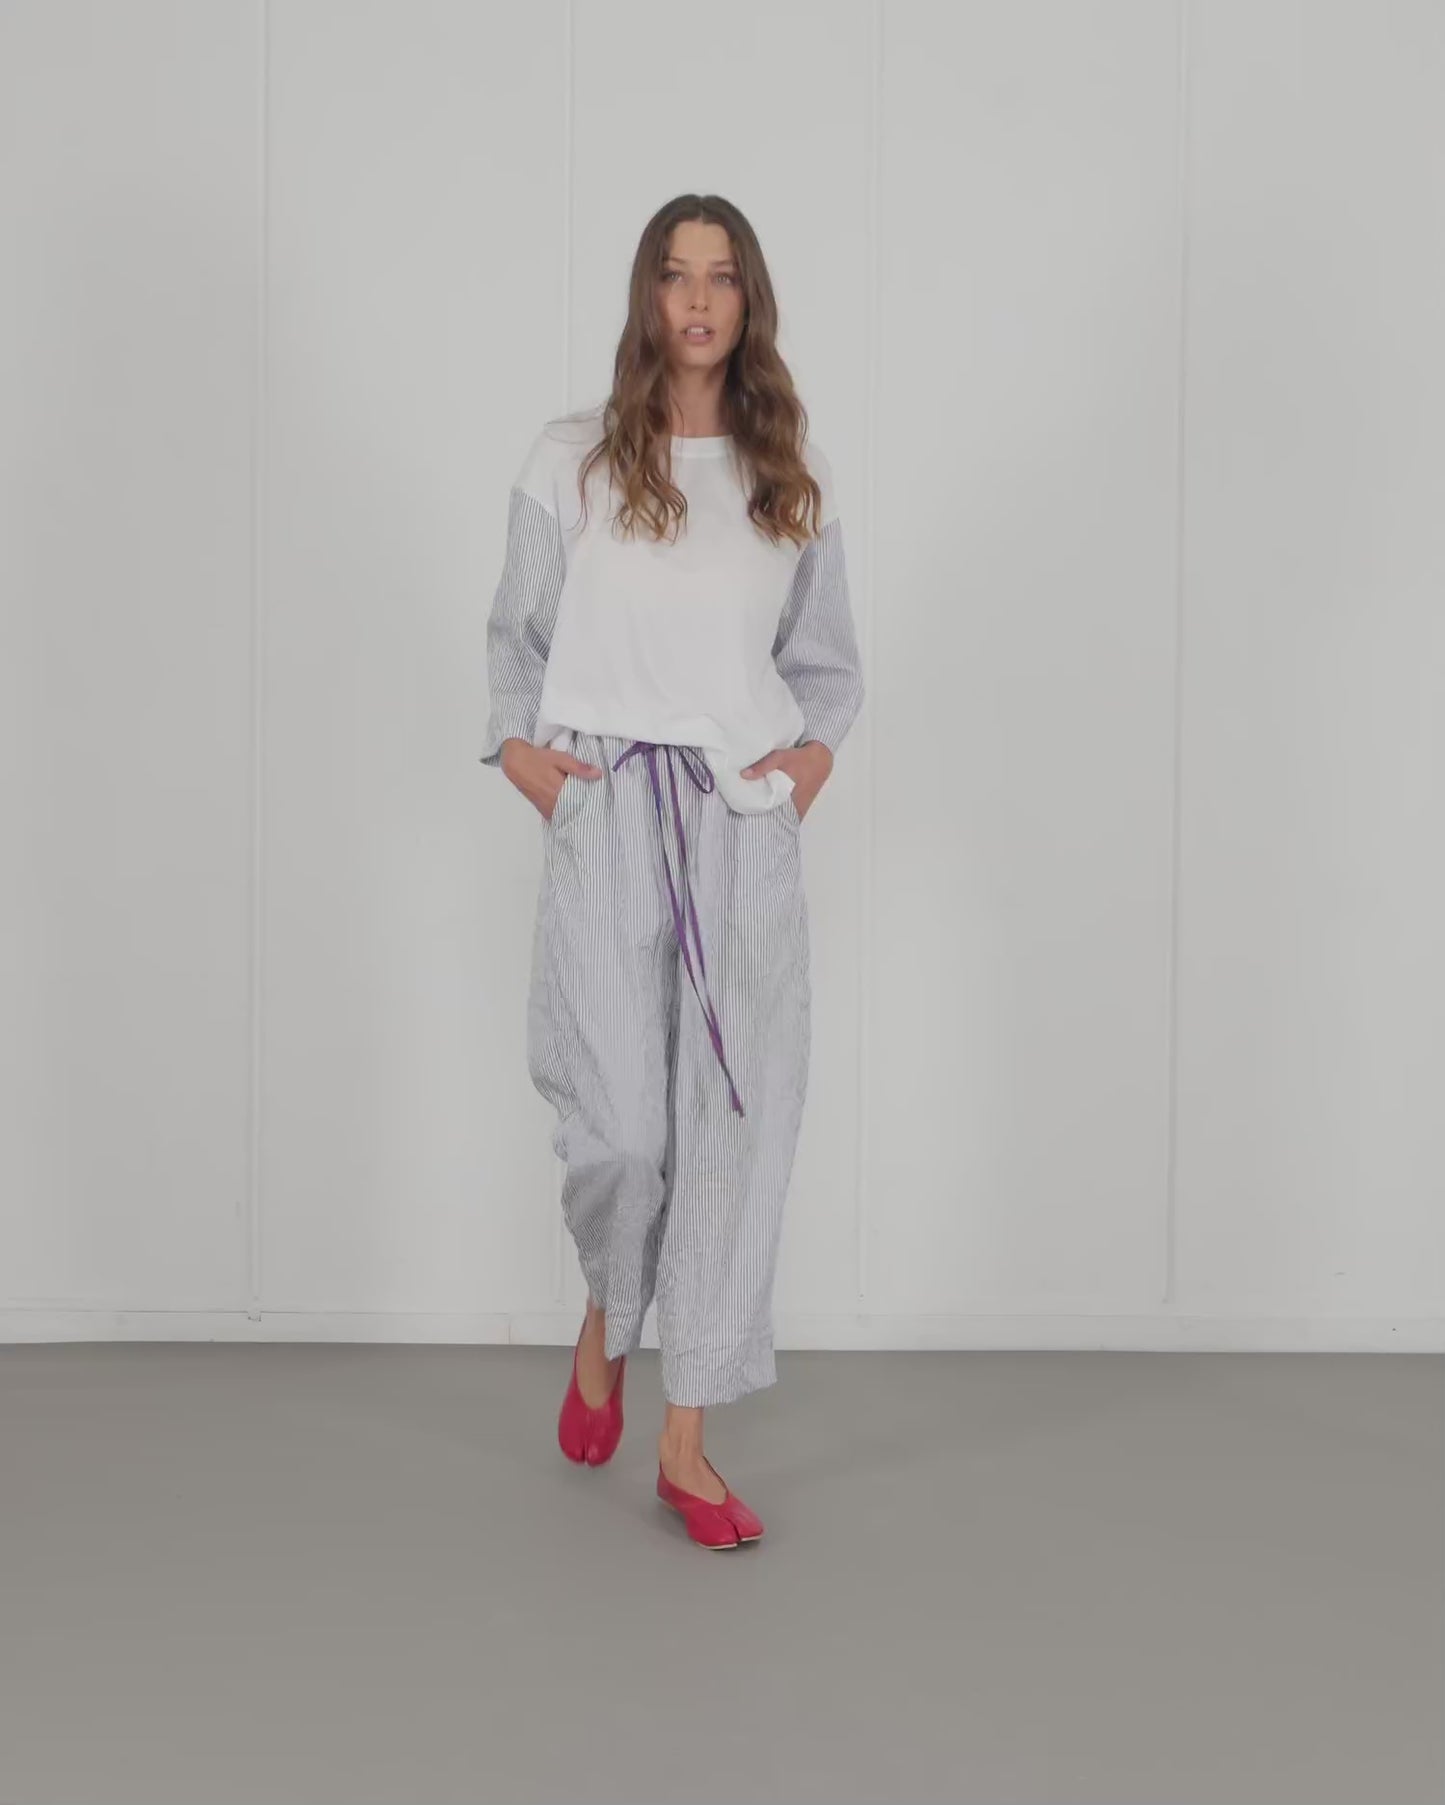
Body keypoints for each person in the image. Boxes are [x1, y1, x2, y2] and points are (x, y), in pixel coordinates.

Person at [479, 194, 864, 1549]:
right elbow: (516, 632)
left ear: (748, 302)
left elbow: (827, 663)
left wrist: (802, 771)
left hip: (738, 821)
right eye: (674, 275)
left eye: (722, 277)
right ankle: (607, 1308)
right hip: (606, 805)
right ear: (647, 297)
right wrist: (521, 755)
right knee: (624, 1133)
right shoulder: (572, 458)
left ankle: (686, 1439)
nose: (697, 301)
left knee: (732, 1133)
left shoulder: (785, 472)